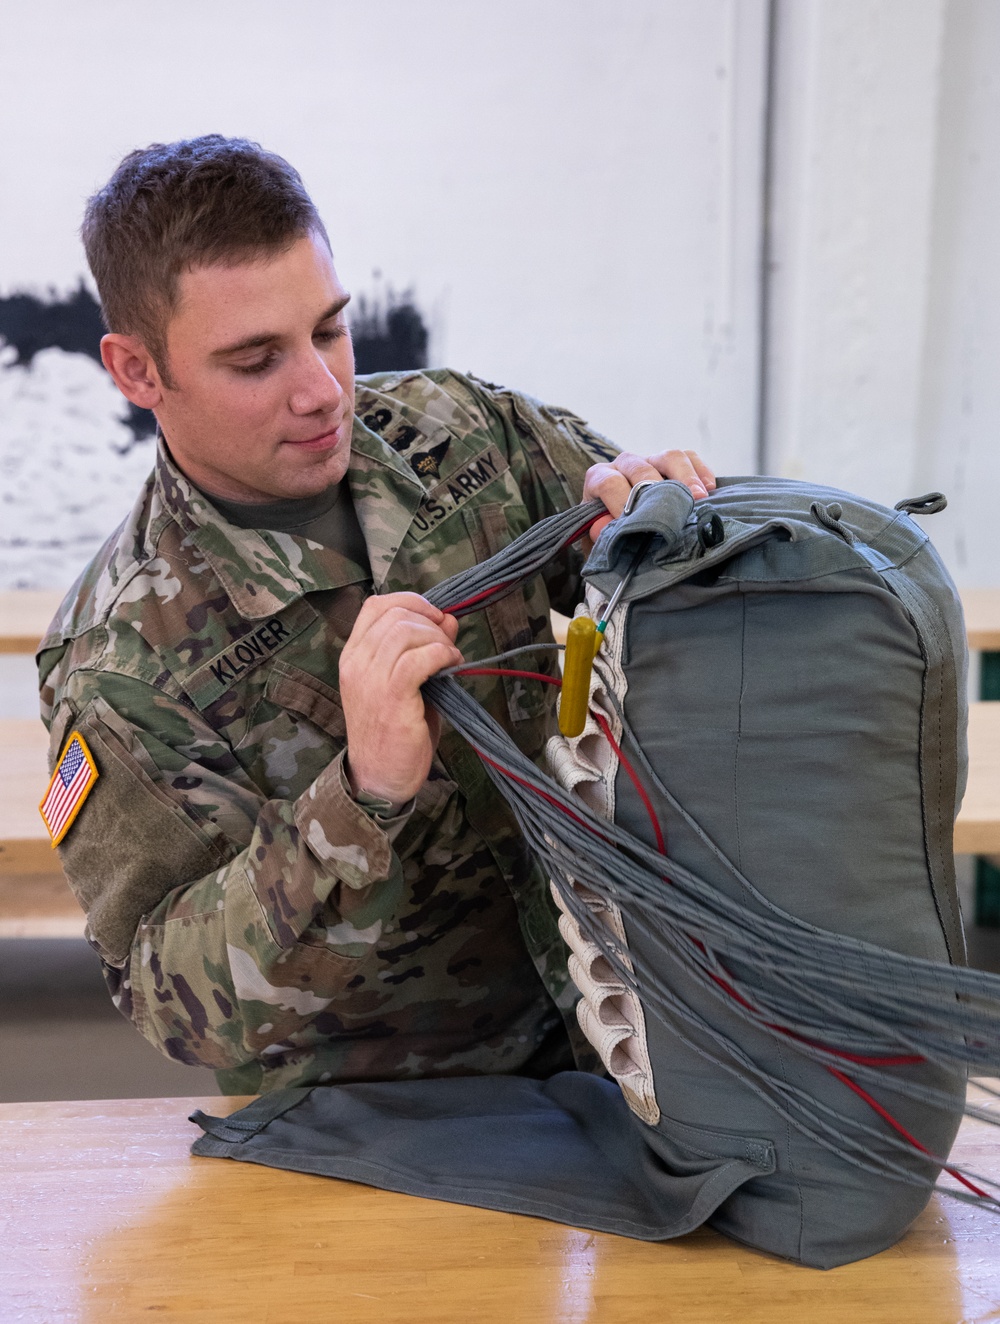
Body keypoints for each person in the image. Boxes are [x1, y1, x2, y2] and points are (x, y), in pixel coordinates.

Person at [38, 135, 716, 1096]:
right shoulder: (120, 664)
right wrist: (359, 797)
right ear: (138, 372)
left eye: (328, 330)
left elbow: (644, 568)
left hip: (633, 1037)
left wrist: (656, 526)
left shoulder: (463, 433)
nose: (320, 390)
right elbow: (172, 1001)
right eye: (254, 360)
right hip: (394, 1123)